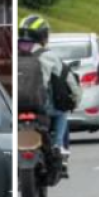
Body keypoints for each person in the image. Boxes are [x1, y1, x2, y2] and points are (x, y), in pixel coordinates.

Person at [18, 15, 74, 157]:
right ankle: (58, 145)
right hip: (41, 106)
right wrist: (75, 101)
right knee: (62, 112)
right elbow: (70, 81)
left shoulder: (15, 52)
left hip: (16, 105)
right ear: (43, 35)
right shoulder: (48, 55)